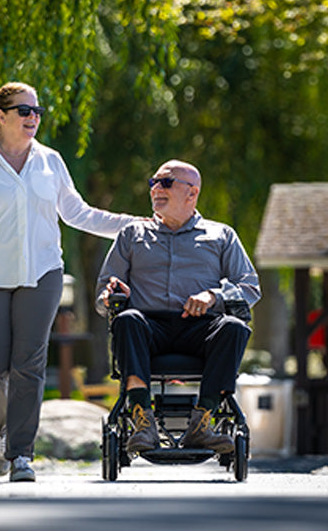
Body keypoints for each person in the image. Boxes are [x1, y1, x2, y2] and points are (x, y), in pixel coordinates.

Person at [0, 81, 133, 482]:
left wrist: (132, 224)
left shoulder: (50, 161)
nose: (33, 118)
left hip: (42, 275)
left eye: (38, 110)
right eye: (24, 111)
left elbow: (78, 213)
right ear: (1, 116)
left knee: (29, 366)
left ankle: (21, 453)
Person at [95, 159, 260, 454]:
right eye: (154, 183)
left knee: (235, 327)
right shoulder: (132, 235)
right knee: (127, 320)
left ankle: (203, 423)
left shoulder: (221, 236)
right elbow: (103, 295)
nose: (156, 188)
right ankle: (143, 424)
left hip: (201, 329)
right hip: (148, 329)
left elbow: (250, 288)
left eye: (166, 183)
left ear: (192, 193)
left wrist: (213, 296)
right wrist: (111, 295)